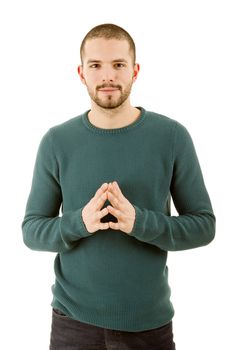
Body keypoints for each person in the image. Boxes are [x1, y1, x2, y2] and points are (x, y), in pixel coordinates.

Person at [22, 23, 216, 350]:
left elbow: (203, 225)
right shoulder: (57, 141)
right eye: (96, 66)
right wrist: (80, 222)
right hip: (74, 327)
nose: (107, 76)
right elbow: (32, 230)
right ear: (82, 73)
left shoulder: (171, 137)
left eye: (118, 65)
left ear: (135, 70)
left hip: (149, 326)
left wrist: (140, 222)